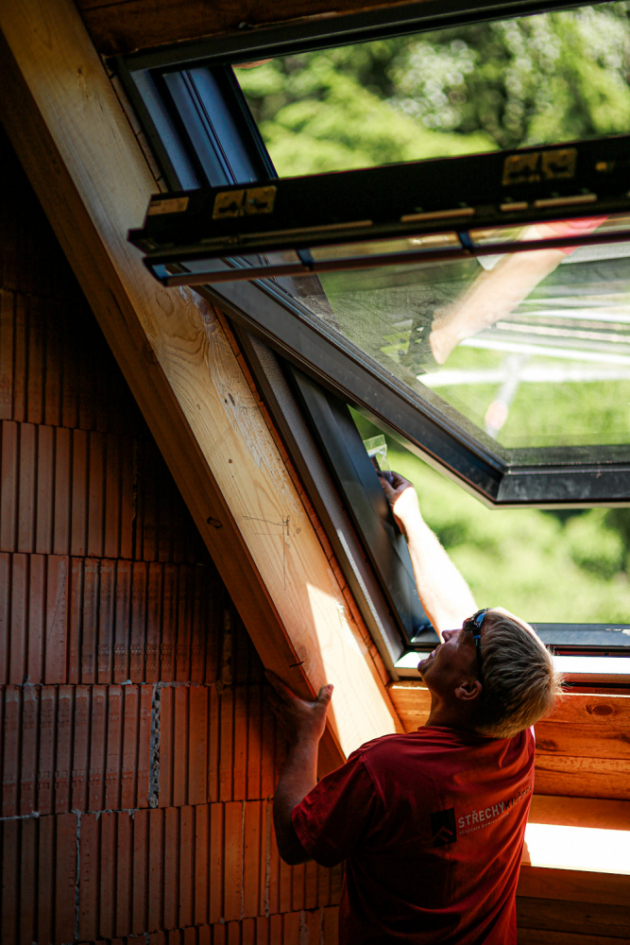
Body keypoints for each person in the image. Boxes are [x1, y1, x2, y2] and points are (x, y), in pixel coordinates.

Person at [267, 471, 562, 944]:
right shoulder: (514, 740)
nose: (445, 632)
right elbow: (456, 614)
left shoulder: (387, 770)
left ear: (468, 690)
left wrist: (305, 736)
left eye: (460, 638)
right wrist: (412, 519)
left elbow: (294, 838)